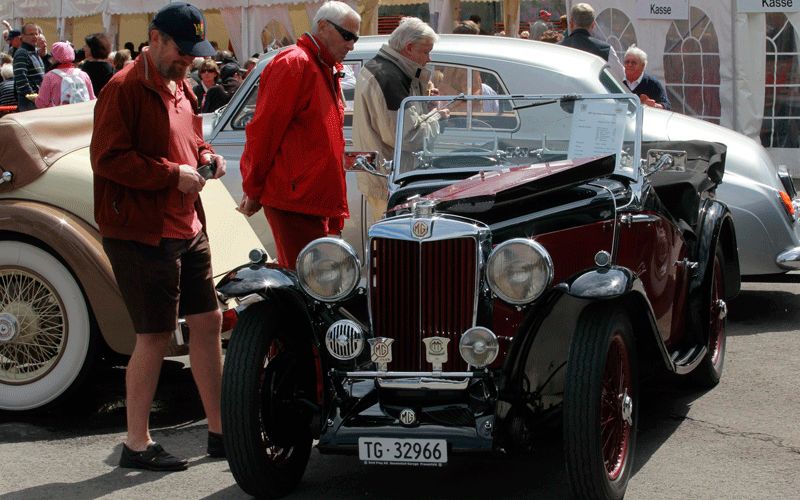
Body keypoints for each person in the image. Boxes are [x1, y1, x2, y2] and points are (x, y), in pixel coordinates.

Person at [90, 1, 226, 472]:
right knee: (154, 337)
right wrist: (174, 175)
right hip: (142, 232)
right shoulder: (123, 88)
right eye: (182, 50)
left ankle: (221, 430)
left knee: (208, 323)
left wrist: (208, 157)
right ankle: (136, 443)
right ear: (155, 38)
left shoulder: (181, 85)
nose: (190, 59)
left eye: (194, 52)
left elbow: (192, 139)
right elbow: (107, 160)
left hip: (185, 225)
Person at [237, 0, 360, 269]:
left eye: (355, 38)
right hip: (297, 200)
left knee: (316, 283)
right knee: (305, 283)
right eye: (347, 36)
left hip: (312, 198)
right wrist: (253, 188)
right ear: (324, 27)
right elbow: (264, 132)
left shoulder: (322, 66)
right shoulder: (295, 63)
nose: (351, 45)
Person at [352, 17, 449, 223]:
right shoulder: (390, 77)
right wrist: (438, 118)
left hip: (384, 175)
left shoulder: (385, 68)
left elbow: (399, 124)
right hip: (390, 181)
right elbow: (406, 137)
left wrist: (425, 105)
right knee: (395, 246)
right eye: (425, 51)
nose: (429, 59)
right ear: (409, 48)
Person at [558, 3, 624, 81]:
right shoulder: (605, 49)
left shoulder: (557, 48)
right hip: (594, 91)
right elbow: (620, 76)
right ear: (593, 24)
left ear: (571, 23)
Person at [35, 41, 95, 108]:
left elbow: (42, 103)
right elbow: (92, 99)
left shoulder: (50, 76)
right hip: (80, 116)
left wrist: (36, 99)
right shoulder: (83, 75)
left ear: (55, 57)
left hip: (59, 116)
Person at [623, 44, 671, 110]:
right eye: (627, 62)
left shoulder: (653, 84)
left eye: (634, 62)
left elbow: (667, 106)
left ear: (642, 66)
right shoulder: (618, 80)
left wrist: (654, 105)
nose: (629, 65)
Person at [12, 22, 45, 111]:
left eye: (36, 34)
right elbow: (21, 79)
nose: (34, 37)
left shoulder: (35, 53)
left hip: (38, 102)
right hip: (29, 104)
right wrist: (33, 97)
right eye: (31, 34)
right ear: (23, 36)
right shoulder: (21, 53)